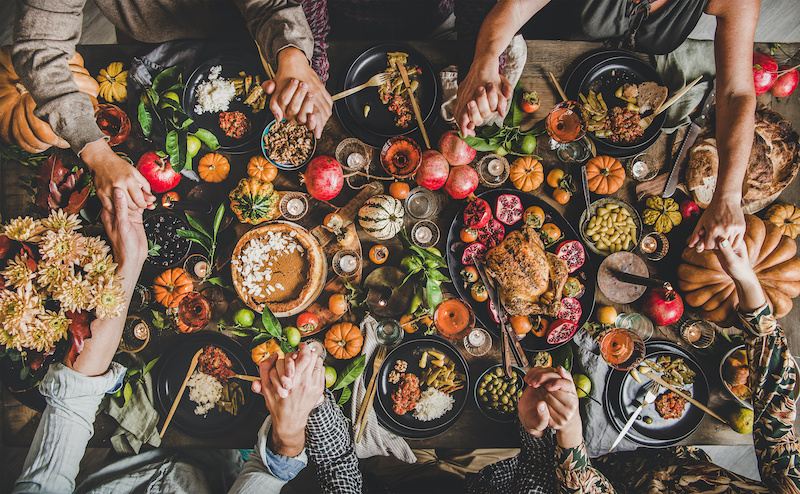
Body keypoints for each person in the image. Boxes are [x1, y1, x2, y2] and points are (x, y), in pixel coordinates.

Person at [465, 237, 800, 493]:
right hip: (665, 458)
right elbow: (777, 399)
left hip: (593, 476)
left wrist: (568, 435)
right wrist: (748, 283)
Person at [454, 0, 757, 255]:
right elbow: (517, 7)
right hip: (544, 64)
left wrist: (728, 197)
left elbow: (736, 94)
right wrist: (486, 60)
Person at [12, 0, 332, 214]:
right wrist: (96, 152)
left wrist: (291, 55)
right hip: (148, 39)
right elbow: (40, 48)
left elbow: (268, 4)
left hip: (248, 29)